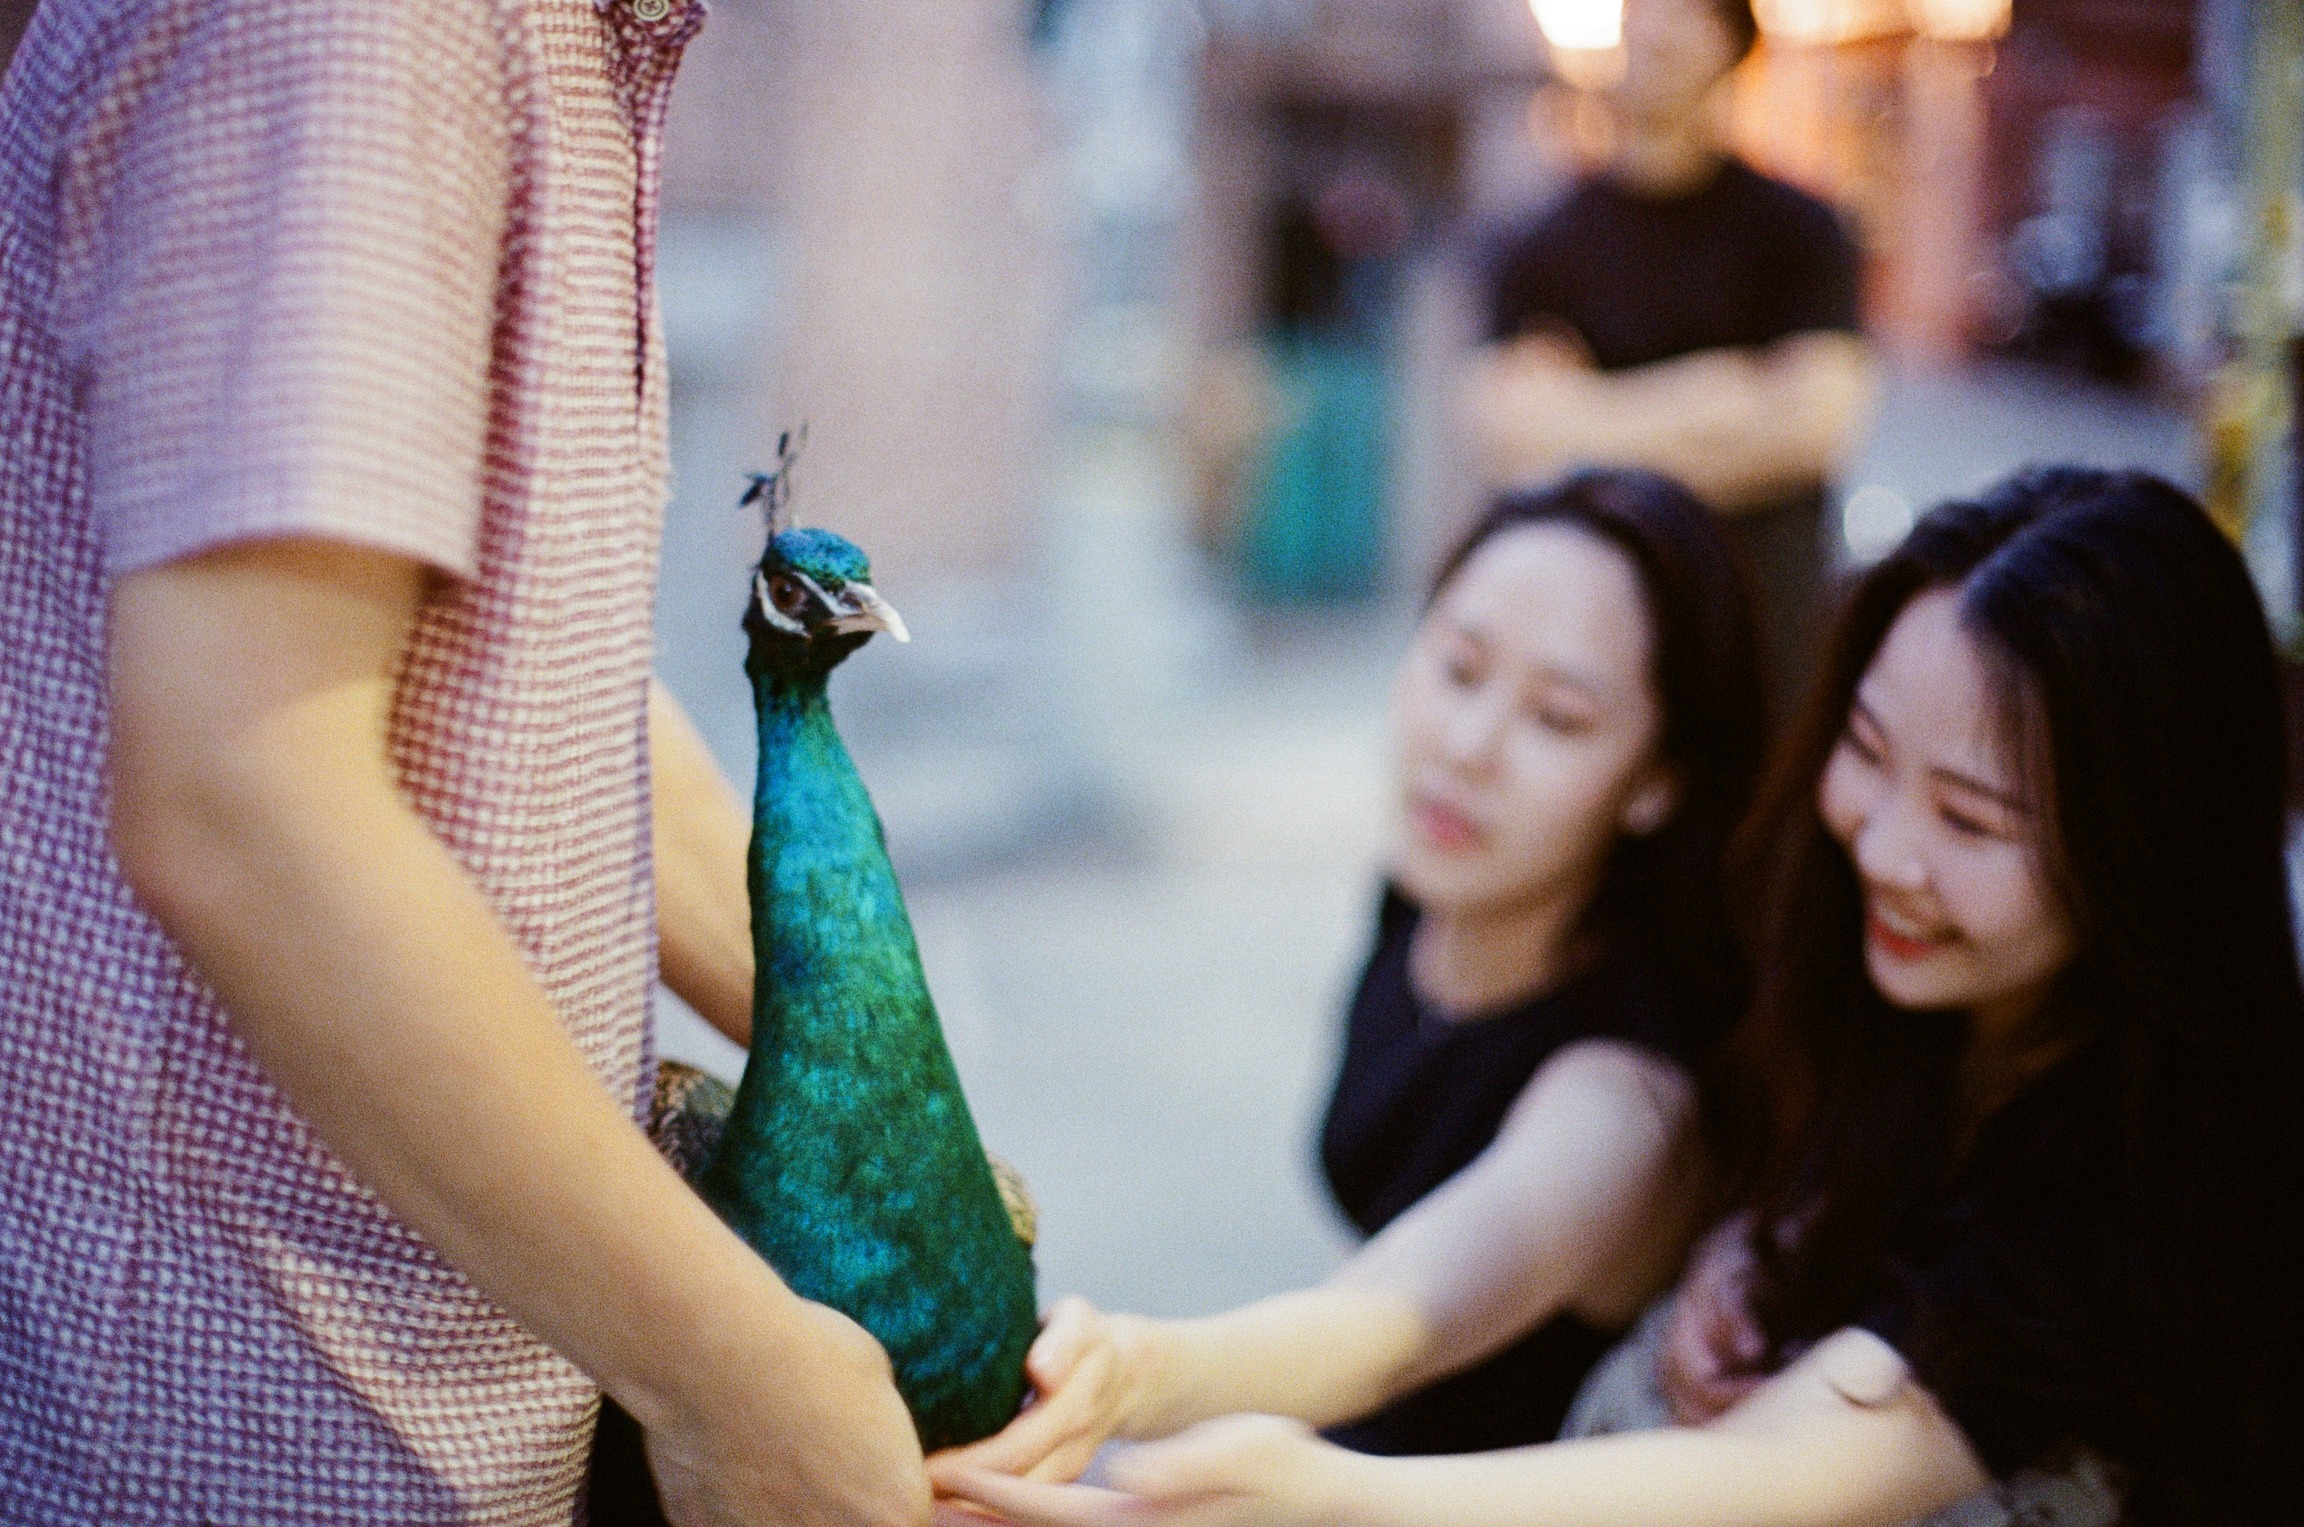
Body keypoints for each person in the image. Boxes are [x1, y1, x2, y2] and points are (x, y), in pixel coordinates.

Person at [938, 467, 2304, 1527]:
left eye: (1971, 816)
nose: (1886, 848)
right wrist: (1138, 1372)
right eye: (1867, 750)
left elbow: (1770, 1471)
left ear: (2146, 852)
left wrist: (1331, 1490)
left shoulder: (2130, 1191)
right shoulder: (1859, 1002)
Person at [0, 4, 926, 1524]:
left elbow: (524, 670)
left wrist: (906, 1121)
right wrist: (735, 1373)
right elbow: (246, 802)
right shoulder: (376, 26)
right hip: (250, 1430)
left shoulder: (566, 45)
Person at [928, 468, 1763, 1481]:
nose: (1469, 746)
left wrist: (1131, 1375)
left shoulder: (1620, 1104)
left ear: (1658, 781)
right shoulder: (1431, 897)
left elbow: (1391, 1321)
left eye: (1558, 717)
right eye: (1459, 667)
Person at [1465, 0, 1875, 726]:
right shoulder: (1537, 241)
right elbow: (1512, 435)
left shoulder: (1801, 232)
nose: (1658, 26)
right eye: (1644, 5)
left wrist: (1590, 421)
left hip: (1763, 638)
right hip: (1594, 637)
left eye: (1689, 11)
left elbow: (1817, 426)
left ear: (1733, 43)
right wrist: (1728, 397)